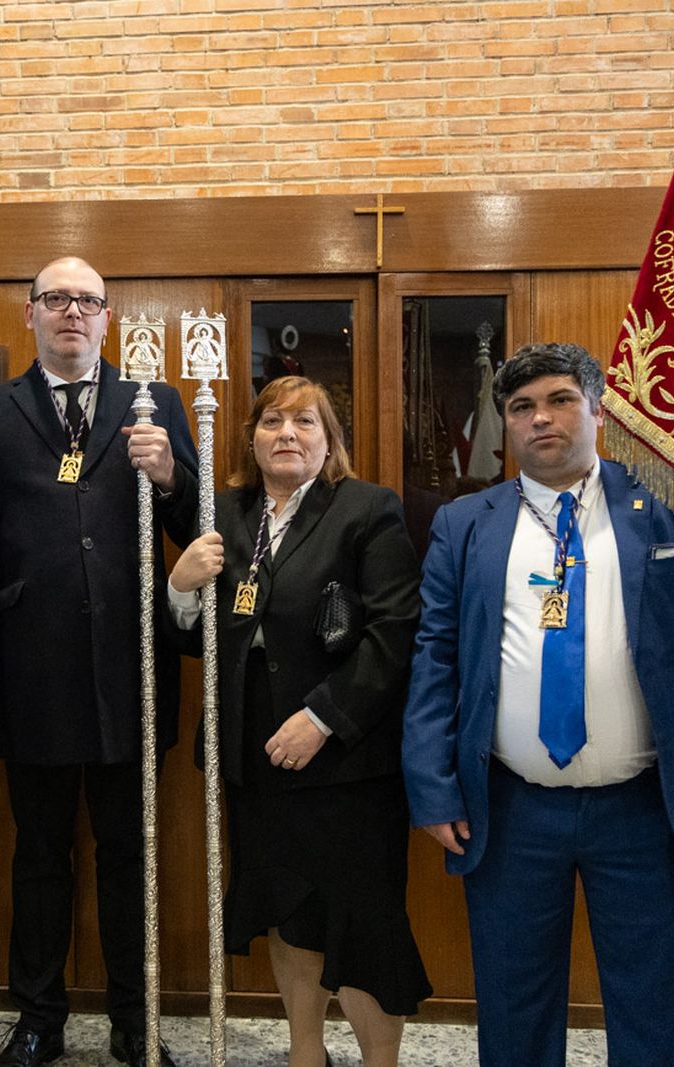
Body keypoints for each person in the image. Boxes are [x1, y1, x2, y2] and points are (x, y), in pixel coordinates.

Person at [401, 342, 674, 1067]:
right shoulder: (465, 524)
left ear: (599, 409)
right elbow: (435, 655)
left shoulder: (668, 504)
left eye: (559, 399)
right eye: (521, 407)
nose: (539, 419)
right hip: (511, 808)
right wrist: (432, 787)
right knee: (513, 1012)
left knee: (651, 1016)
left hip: (646, 811)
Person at [0, 256, 197, 1067]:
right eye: (55, 299)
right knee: (39, 857)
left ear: (107, 316)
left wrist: (168, 474)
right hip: (34, 674)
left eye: (87, 301)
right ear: (30, 315)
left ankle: (137, 1019)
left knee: (132, 856)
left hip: (134, 676)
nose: (71, 313)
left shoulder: (153, 404)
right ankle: (38, 1019)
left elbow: (198, 525)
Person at [167, 377, 431, 1067]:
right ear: (251, 438)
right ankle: (305, 1053)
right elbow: (206, 640)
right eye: (272, 420)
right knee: (289, 912)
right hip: (255, 756)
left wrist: (323, 717)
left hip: (347, 762)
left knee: (363, 922)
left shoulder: (366, 509)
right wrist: (180, 586)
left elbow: (395, 631)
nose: (287, 432)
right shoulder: (227, 511)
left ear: (329, 438)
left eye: (305, 421)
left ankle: (380, 1062)